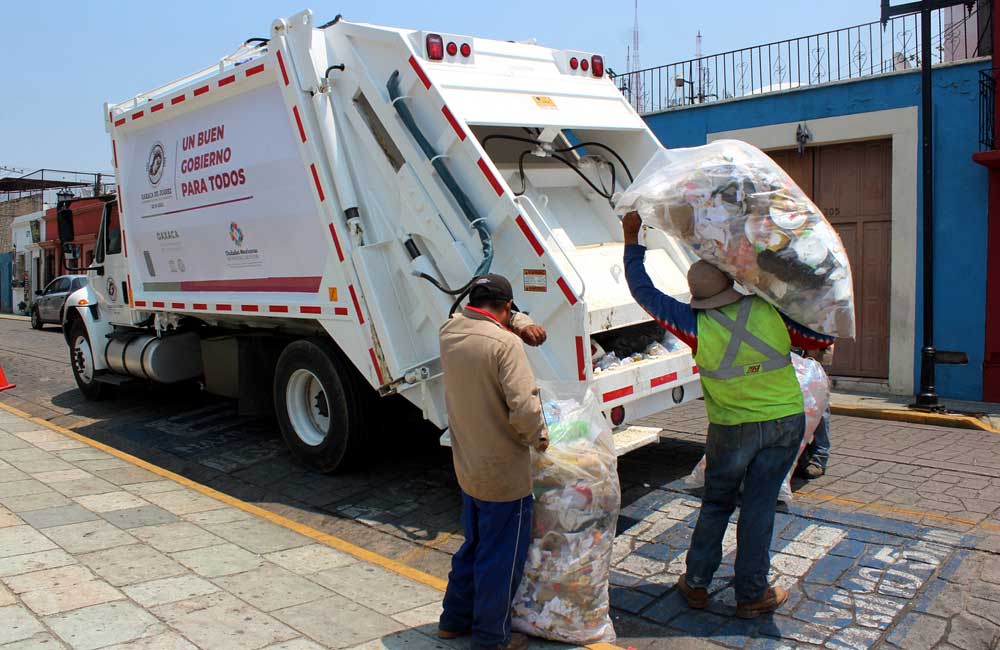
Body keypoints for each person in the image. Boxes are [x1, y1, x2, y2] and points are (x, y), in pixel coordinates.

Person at [621, 212, 833, 618]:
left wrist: (632, 239)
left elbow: (643, 291)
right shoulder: (770, 310)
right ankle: (752, 594)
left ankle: (696, 585)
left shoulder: (690, 322)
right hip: (784, 423)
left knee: (717, 503)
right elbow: (820, 336)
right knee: (759, 505)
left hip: (732, 429)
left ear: (697, 296)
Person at [437, 274, 549, 650]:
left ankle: (452, 619)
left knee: (474, 544)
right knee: (502, 557)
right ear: (505, 308)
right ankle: (491, 637)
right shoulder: (504, 346)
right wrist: (541, 440)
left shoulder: (450, 332)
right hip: (504, 471)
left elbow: (486, 316)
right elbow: (525, 407)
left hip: (468, 463)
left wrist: (519, 321)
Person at [794, 345, 834, 479]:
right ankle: (801, 457)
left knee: (818, 406)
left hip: (816, 352)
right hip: (793, 355)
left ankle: (819, 459)